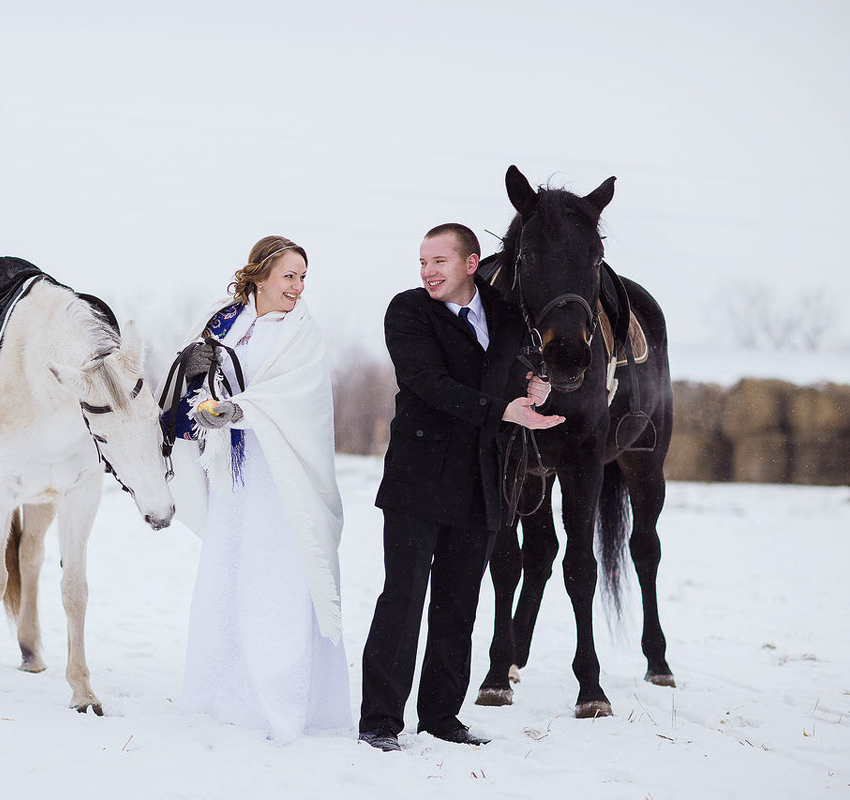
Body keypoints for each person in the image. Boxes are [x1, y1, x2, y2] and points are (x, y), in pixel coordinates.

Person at [357, 223, 564, 752]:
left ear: (471, 264)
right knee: (402, 600)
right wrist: (503, 409)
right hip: (416, 480)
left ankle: (442, 718)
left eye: (439, 262)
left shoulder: (505, 313)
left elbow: (519, 362)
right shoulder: (408, 311)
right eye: (423, 261)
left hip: (481, 480)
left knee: (459, 604)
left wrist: (535, 381)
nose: (427, 271)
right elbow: (428, 383)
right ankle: (380, 721)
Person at [162, 235, 350, 743]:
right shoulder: (227, 322)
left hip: (281, 473)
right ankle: (224, 694)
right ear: (261, 276)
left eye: (303, 277)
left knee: (276, 577)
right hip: (234, 477)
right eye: (289, 275)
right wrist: (203, 400)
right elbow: (199, 380)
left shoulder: (302, 332)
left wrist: (243, 410)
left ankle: (281, 698)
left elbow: (301, 399)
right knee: (231, 572)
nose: (298, 287)